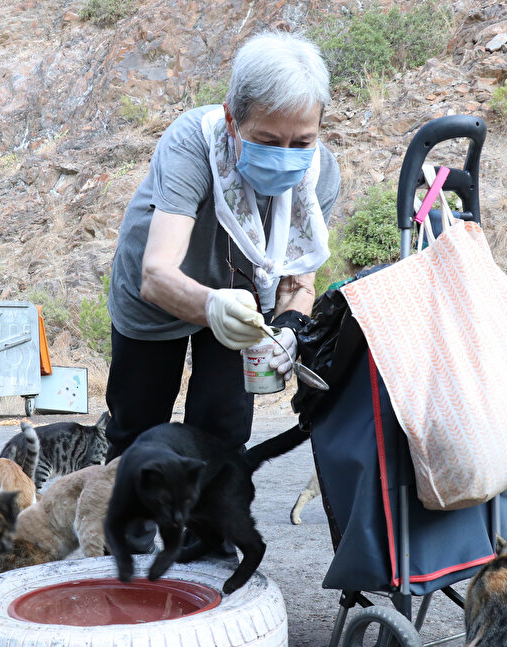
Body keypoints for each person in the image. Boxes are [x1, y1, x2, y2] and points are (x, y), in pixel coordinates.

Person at [104, 30, 341, 459]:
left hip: (244, 303)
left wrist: (288, 328)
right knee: (138, 433)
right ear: (232, 120)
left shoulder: (321, 175)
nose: (288, 154)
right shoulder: (190, 144)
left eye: (302, 141)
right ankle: (126, 526)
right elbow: (157, 275)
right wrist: (213, 308)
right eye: (268, 141)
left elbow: (296, 283)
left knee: (222, 434)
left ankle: (203, 527)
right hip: (160, 298)